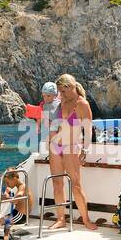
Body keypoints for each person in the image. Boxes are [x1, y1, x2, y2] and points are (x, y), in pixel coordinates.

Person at [48, 74, 98, 231]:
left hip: (71, 147)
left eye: (63, 91)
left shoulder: (82, 104)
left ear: (70, 87)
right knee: (57, 183)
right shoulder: (62, 101)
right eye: (59, 92)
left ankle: (86, 220)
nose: (60, 95)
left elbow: (88, 130)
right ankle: (60, 219)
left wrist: (85, 149)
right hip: (55, 146)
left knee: (76, 185)